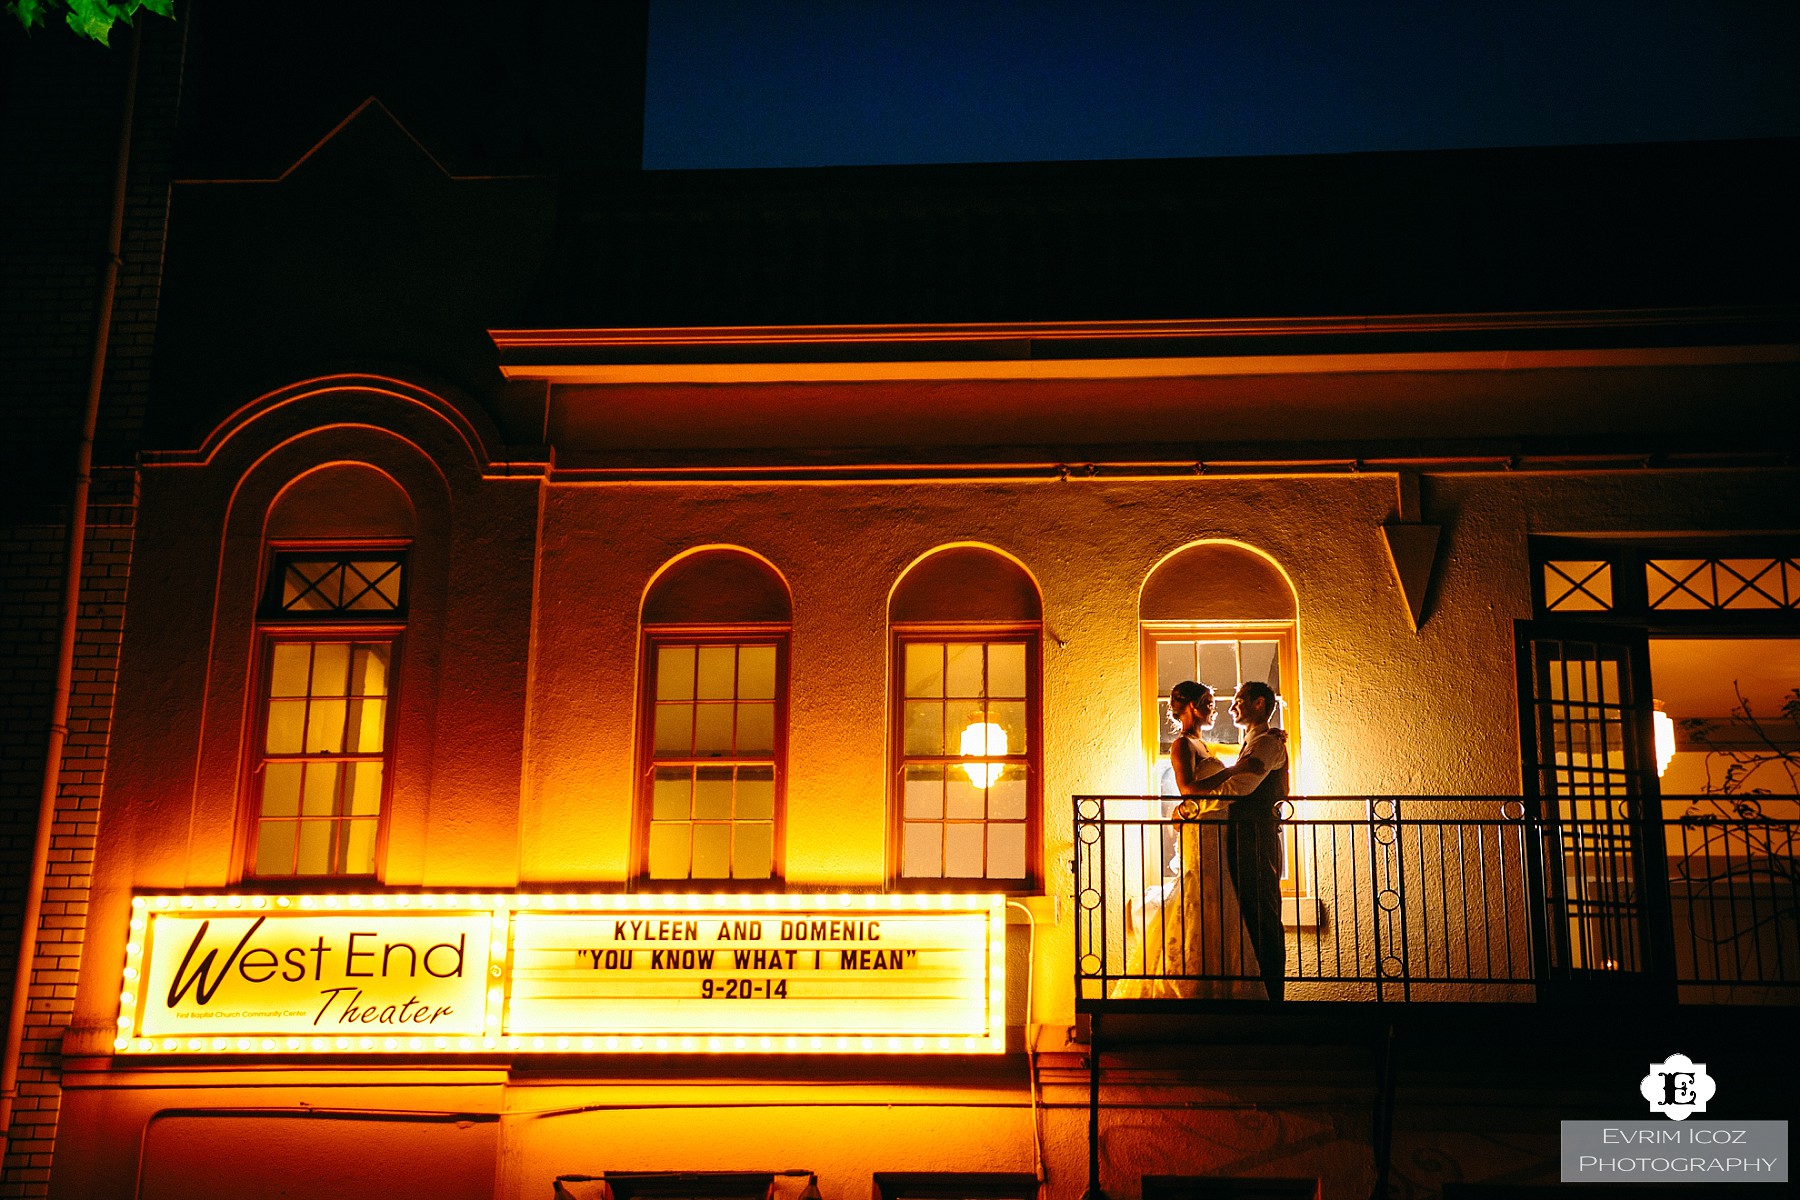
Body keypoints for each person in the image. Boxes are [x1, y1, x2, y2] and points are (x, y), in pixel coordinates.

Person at [1114, 682, 1264, 1000]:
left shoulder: (1203, 745)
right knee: (1200, 890)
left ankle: (1216, 978)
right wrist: (1236, 769)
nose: (1214, 708)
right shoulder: (1182, 744)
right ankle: (1191, 979)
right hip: (1200, 829)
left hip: (1216, 828)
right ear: (1193, 707)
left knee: (1216, 893)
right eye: (1208, 702)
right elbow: (1188, 789)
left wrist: (1270, 737)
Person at [1182, 679, 1288, 1001]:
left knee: (1263, 915)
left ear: (1259, 704)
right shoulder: (1254, 743)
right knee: (1250, 915)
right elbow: (1237, 775)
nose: (1231, 707)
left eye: (1238, 699)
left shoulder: (1267, 744)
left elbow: (1242, 787)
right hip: (1244, 838)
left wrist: (1195, 804)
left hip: (1257, 839)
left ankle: (1272, 998)